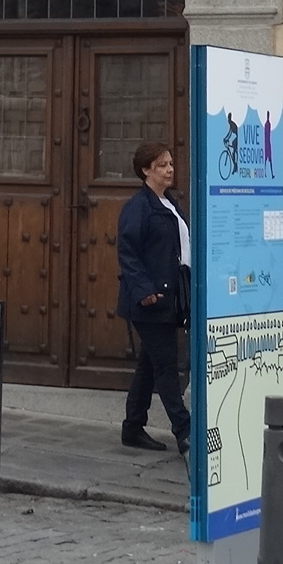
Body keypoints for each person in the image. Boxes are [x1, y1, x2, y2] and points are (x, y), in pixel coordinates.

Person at [115, 142, 191, 453]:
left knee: (149, 365)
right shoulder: (138, 207)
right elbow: (128, 253)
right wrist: (144, 290)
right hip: (150, 301)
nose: (170, 170)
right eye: (162, 165)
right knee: (166, 366)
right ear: (146, 170)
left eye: (170, 164)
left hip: (170, 297)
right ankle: (185, 432)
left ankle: (133, 427)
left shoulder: (171, 204)